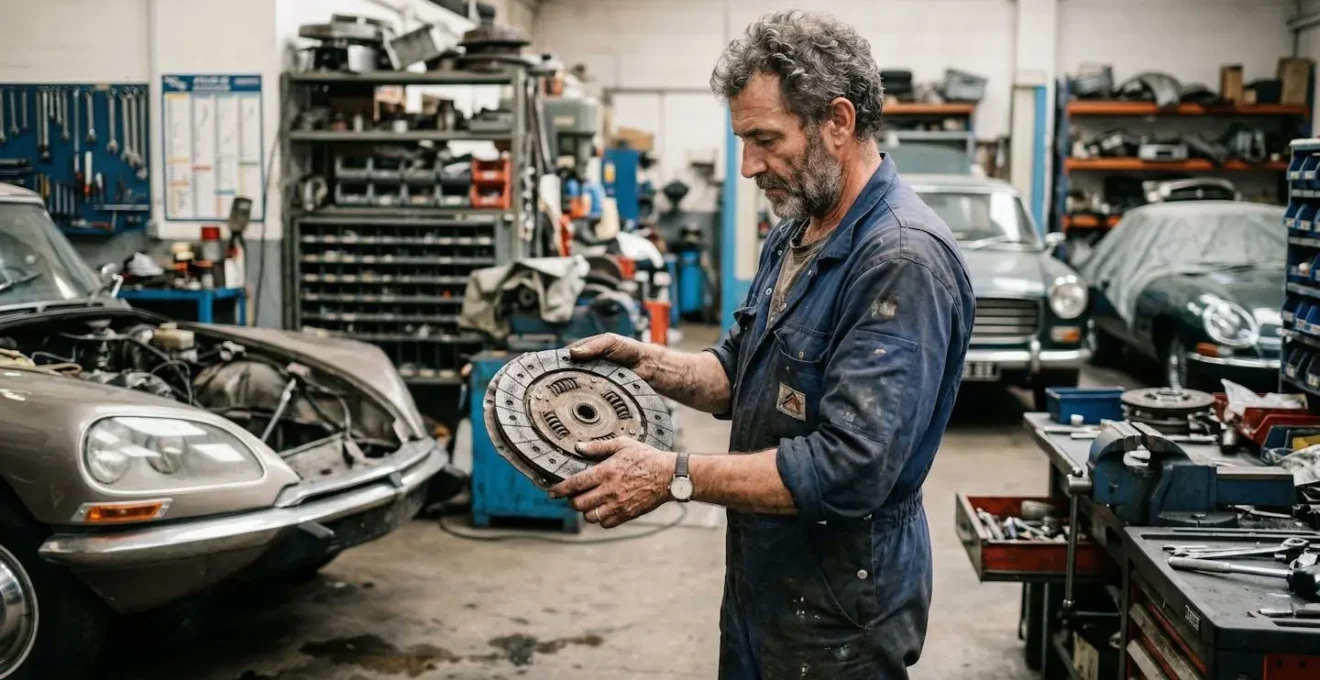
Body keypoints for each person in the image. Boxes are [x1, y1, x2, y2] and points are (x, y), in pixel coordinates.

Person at [548, 10, 975, 679]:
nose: (749, 166)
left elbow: (850, 469)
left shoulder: (900, 260)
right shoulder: (798, 227)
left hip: (841, 610)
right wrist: (646, 361)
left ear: (837, 122)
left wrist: (672, 476)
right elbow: (739, 371)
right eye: (743, 140)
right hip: (767, 579)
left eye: (765, 139)